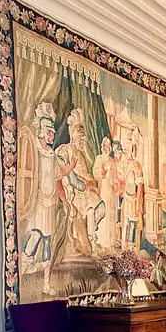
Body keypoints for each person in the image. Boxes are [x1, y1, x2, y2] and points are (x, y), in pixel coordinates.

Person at [20, 102, 60, 295]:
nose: (52, 135)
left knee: (47, 240)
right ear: (43, 131)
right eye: (49, 132)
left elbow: (57, 176)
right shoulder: (34, 148)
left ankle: (46, 282)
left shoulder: (52, 154)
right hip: (37, 200)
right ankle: (22, 268)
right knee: (35, 235)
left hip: (49, 201)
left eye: (52, 132)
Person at [56, 109, 100, 256]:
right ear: (74, 137)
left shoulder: (80, 154)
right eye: (80, 139)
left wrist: (90, 183)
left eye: (83, 140)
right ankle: (84, 244)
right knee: (87, 211)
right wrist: (83, 184)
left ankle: (92, 242)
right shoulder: (65, 149)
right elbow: (64, 172)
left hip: (82, 191)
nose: (82, 142)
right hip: (71, 190)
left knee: (97, 208)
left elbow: (85, 175)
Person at [117, 127, 145, 250]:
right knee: (125, 222)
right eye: (125, 150)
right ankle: (124, 246)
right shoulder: (123, 164)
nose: (126, 153)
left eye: (128, 150)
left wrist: (138, 201)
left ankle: (131, 245)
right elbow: (120, 179)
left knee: (133, 222)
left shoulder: (136, 166)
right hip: (126, 197)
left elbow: (140, 185)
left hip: (133, 199)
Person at [92, 136, 119, 249]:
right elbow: (95, 173)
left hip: (111, 192)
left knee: (111, 216)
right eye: (104, 146)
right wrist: (101, 172)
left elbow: (115, 175)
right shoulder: (99, 158)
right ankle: (102, 243)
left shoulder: (112, 161)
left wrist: (115, 182)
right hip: (103, 190)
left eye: (107, 146)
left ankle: (111, 243)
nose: (105, 148)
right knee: (103, 215)